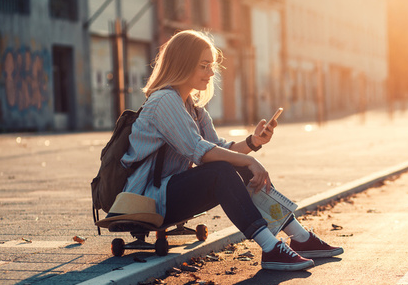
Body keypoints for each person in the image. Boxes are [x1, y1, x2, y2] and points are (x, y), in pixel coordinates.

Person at [120, 30, 343, 271]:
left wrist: (254, 142)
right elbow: (200, 151)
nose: (211, 73)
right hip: (147, 200)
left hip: (168, 194)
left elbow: (220, 148)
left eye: (211, 66)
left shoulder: (192, 108)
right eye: (204, 66)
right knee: (222, 171)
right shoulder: (164, 101)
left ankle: (299, 237)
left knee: (232, 164)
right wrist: (249, 162)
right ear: (183, 64)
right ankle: (270, 248)